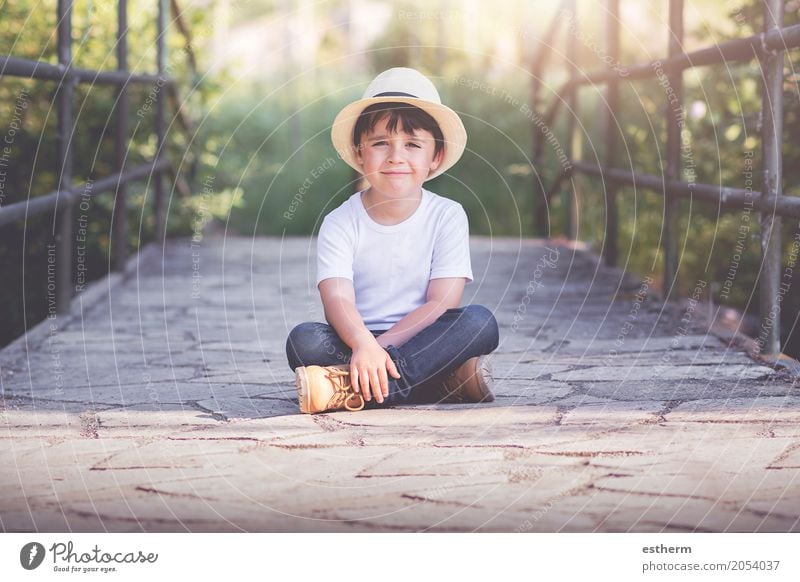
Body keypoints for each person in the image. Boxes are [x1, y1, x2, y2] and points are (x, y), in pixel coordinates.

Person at [286, 67, 499, 414]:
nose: (396, 156)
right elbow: (337, 298)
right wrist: (361, 343)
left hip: (425, 336)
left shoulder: (447, 215)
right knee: (304, 341)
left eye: (413, 145)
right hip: (354, 336)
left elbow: (441, 303)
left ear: (436, 157)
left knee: (478, 323)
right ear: (359, 153)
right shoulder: (340, 221)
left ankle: (347, 386)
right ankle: (442, 381)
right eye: (380, 143)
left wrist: (378, 350)